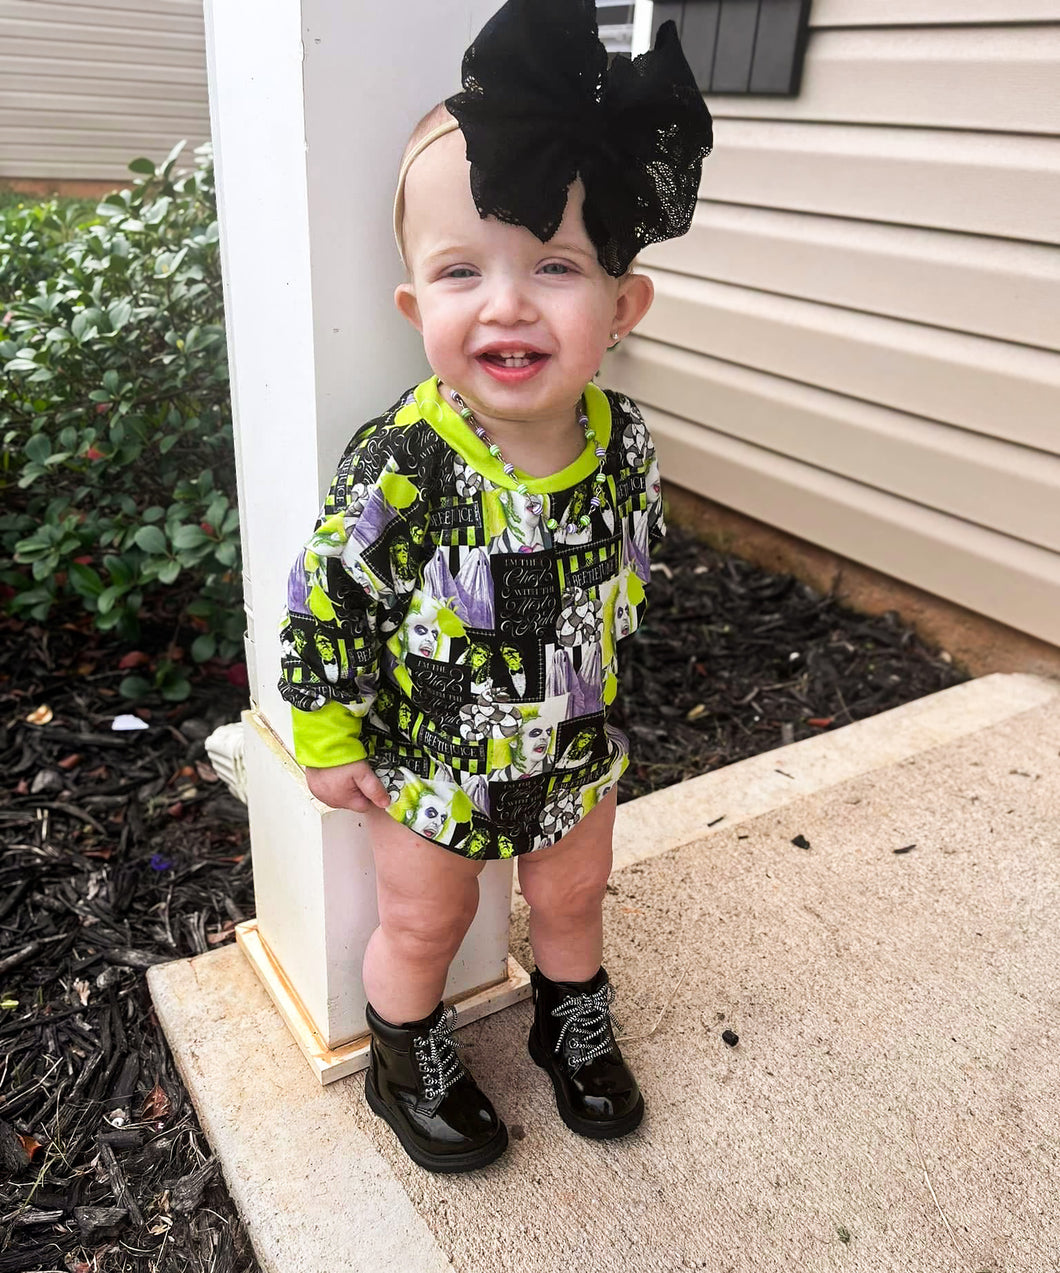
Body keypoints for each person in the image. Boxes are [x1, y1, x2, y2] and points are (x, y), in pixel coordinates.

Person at [276, 0, 712, 1174]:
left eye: (555, 266)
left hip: (576, 753)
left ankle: (572, 1022)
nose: (507, 303)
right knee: (423, 920)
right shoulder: (410, 459)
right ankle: (403, 1052)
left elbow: (628, 570)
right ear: (417, 306)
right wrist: (323, 731)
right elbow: (329, 597)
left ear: (621, 309)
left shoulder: (624, 443)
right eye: (462, 269)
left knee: (573, 903)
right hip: (433, 761)